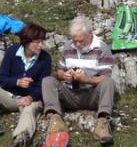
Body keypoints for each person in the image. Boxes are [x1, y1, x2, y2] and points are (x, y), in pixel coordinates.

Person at [42, 16, 116, 146]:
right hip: (70, 94)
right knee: (47, 81)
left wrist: (86, 79)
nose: (77, 44)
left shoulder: (102, 49)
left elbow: (105, 77)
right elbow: (59, 71)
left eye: (81, 41)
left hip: (92, 95)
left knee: (109, 83)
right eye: (74, 40)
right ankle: (55, 120)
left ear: (90, 34)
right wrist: (64, 75)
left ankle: (102, 123)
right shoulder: (67, 46)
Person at [0, 22, 51, 146]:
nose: (41, 45)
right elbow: (2, 79)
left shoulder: (45, 58)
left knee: (29, 110)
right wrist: (17, 82)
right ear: (27, 41)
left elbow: (44, 85)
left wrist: (31, 97)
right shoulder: (12, 51)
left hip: (30, 100)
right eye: (37, 42)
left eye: (42, 41)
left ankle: (21, 138)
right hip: (10, 97)